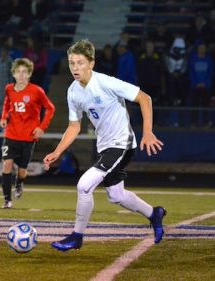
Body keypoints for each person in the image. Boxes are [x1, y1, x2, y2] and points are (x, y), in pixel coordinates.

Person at [43, 39, 166, 252]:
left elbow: (145, 99)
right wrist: (57, 151)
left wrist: (147, 132)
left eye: (80, 63)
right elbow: (74, 127)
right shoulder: (73, 91)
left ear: (91, 63)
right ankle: (154, 213)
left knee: (84, 185)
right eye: (72, 63)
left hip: (122, 144)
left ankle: (77, 236)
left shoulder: (106, 82)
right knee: (116, 196)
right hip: (106, 146)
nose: (75, 68)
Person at [0, 58, 55, 209]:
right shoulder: (9, 88)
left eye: (25, 72)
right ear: (13, 74)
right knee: (7, 164)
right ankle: (7, 200)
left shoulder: (37, 91)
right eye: (18, 72)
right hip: (11, 134)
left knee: (22, 170)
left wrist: (42, 127)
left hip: (28, 136)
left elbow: (50, 108)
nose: (21, 75)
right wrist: (4, 117)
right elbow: (7, 104)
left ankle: (19, 183)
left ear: (30, 74)